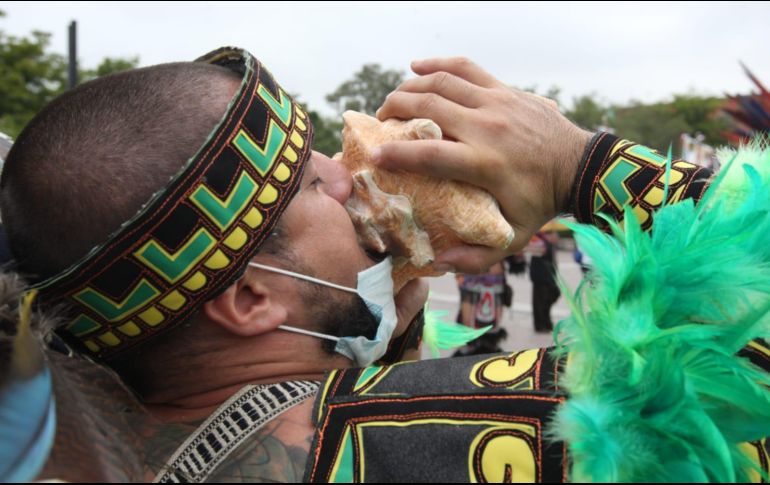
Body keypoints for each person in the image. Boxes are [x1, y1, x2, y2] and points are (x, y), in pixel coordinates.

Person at [2, 50, 769, 482]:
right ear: (249, 298)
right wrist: (579, 162)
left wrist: (386, 335)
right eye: (308, 183)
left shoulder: (103, 445)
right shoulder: (429, 435)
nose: (345, 172)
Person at [527, 231, 560, 333]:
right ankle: (541, 326)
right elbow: (534, 251)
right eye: (556, 235)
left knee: (548, 300)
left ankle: (547, 324)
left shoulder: (549, 243)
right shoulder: (538, 240)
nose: (557, 238)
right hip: (541, 277)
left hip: (549, 277)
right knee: (540, 303)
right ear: (550, 235)